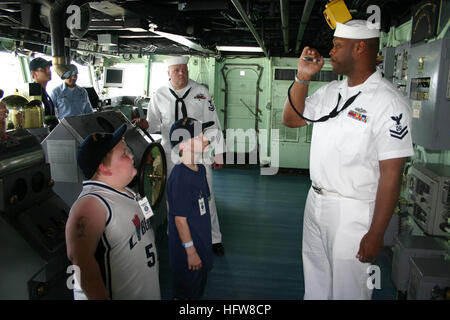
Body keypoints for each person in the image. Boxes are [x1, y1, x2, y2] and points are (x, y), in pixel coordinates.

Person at [283, 20, 414, 299]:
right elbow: (291, 119)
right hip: (315, 201)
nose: (331, 51)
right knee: (316, 284)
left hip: (352, 211)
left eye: (337, 46)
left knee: (350, 291)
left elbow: (392, 175)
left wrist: (377, 233)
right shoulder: (332, 91)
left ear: (360, 48)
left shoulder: (388, 102)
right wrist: (302, 77)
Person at [65, 123, 161, 300]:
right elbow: (80, 259)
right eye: (124, 154)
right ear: (103, 167)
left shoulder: (129, 191)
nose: (132, 156)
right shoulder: (91, 204)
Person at [147, 56, 226, 256]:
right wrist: (142, 124)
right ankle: (174, 235)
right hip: (170, 154)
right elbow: (153, 124)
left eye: (184, 69)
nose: (181, 73)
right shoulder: (159, 94)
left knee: (206, 195)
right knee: (173, 197)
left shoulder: (201, 92)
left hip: (199, 153)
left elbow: (213, 123)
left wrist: (219, 153)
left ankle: (214, 238)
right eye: (176, 70)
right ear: (168, 73)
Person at [167, 117, 214, 299]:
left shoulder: (200, 169)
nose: (205, 138)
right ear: (183, 145)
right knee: (187, 293)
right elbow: (179, 219)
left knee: (198, 288)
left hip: (201, 239)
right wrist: (191, 251)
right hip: (187, 250)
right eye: (198, 136)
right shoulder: (180, 179)